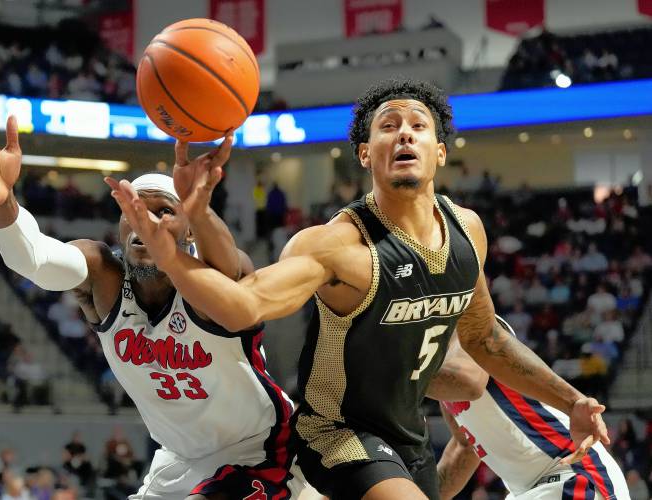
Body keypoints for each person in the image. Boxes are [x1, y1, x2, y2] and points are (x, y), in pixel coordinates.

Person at [108, 78, 609, 499]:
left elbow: (487, 341)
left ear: (439, 151)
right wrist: (172, 255)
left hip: (409, 437)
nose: (404, 136)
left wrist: (573, 402)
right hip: (337, 434)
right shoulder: (336, 247)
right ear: (366, 154)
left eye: (418, 126)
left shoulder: (467, 230)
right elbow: (244, 306)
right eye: (388, 127)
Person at [0, 108, 304, 499]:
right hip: (179, 459)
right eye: (136, 210)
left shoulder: (210, 277)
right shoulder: (103, 273)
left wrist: (200, 205)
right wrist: (2, 202)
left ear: (188, 227)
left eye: (164, 213)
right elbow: (33, 259)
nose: (146, 222)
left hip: (262, 451)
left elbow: (230, 267)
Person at [436, 317, 629, 500]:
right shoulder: (436, 368)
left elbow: (471, 383)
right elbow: (463, 447)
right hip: (525, 490)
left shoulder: (467, 324)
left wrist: (406, 378)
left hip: (569, 472)